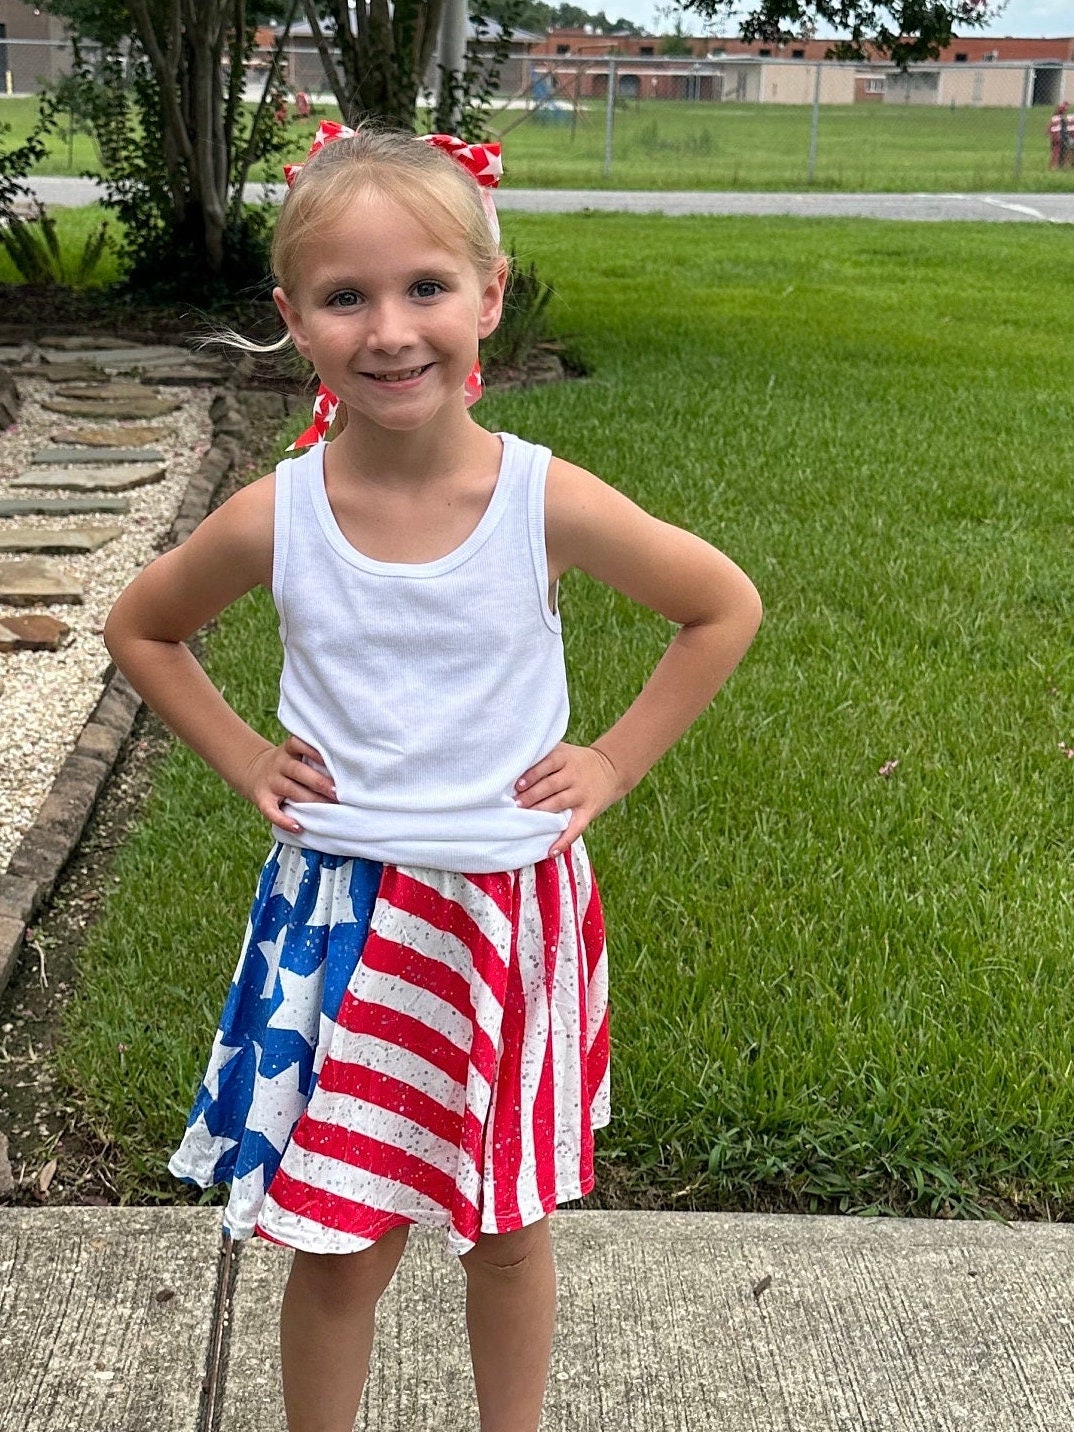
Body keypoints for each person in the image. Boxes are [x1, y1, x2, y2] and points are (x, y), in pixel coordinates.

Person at [104, 123, 762, 1432]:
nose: (391, 329)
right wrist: (241, 754)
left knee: (506, 1229)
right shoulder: (276, 513)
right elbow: (142, 628)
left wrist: (613, 759)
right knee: (341, 1239)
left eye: (425, 289)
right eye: (347, 297)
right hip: (339, 917)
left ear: (489, 297)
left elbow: (719, 606)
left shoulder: (543, 501)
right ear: (293, 318)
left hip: (504, 921)